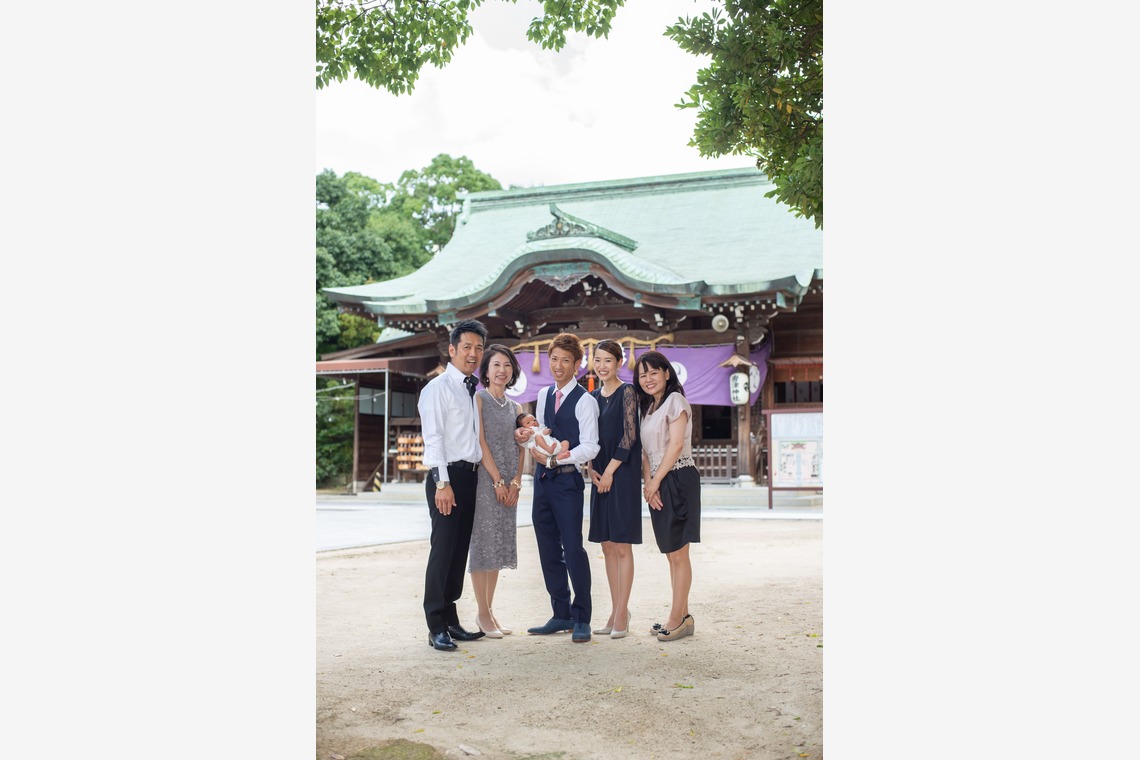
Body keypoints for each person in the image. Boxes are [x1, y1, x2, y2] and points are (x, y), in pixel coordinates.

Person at [514, 332, 600, 643]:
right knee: (547, 547)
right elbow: (541, 434)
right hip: (543, 480)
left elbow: (591, 446)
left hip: (567, 481)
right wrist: (528, 442)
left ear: (577, 364)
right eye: (554, 359)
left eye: (565, 360)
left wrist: (561, 458)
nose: (558, 366)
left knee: (572, 548)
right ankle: (560, 612)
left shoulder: (586, 400)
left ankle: (582, 617)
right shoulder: (544, 396)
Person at [418, 319, 489, 652]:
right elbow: (433, 439)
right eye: (466, 347)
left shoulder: (471, 388)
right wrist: (441, 483)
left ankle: (450, 617)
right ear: (452, 350)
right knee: (443, 550)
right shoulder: (437, 388)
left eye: (478, 348)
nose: (473, 354)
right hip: (446, 478)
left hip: (469, 476)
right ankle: (435, 625)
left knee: (459, 551)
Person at [633, 350, 701, 642]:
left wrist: (656, 480)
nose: (648, 379)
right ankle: (682, 616)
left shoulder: (676, 402)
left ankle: (677, 617)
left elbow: (674, 446)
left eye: (653, 372)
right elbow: (646, 452)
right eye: (642, 374)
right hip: (658, 481)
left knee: (679, 551)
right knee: (670, 552)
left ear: (666, 373)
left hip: (678, 477)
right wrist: (648, 482)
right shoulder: (648, 408)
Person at [468, 344, 526, 639]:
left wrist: (515, 482)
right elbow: (480, 442)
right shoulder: (478, 400)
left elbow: (521, 446)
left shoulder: (517, 408)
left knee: (499, 545)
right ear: (486, 372)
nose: (502, 370)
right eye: (496, 365)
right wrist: (497, 480)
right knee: (484, 545)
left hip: (509, 485)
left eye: (507, 365)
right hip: (486, 482)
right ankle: (481, 613)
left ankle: (489, 611)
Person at [586, 339, 642, 639]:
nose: (602, 365)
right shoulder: (593, 397)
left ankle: (622, 612)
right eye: (598, 360)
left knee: (622, 544)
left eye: (608, 360)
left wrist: (609, 471)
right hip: (600, 475)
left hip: (622, 474)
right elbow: (590, 436)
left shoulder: (627, 392)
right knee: (606, 545)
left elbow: (629, 436)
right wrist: (591, 467)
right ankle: (615, 608)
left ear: (619, 362)